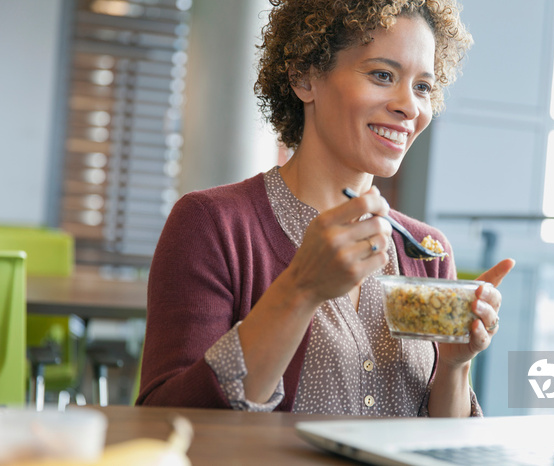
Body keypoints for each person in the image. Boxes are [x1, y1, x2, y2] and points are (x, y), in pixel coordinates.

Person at [137, 0, 515, 417]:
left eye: (423, 86)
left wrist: (454, 365)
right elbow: (163, 419)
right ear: (304, 76)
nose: (409, 106)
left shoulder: (425, 250)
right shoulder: (212, 224)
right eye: (382, 75)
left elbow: (445, 447)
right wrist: (301, 287)